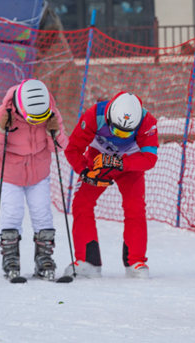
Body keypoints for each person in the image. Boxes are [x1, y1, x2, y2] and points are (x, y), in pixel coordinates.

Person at [63, 92, 159, 278]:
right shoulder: (94, 115)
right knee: (82, 203)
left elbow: (149, 158)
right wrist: (84, 171)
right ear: (109, 118)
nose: (120, 135)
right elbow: (73, 149)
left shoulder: (147, 122)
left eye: (126, 133)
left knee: (135, 208)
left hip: (131, 164)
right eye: (116, 130)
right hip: (98, 160)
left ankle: (135, 262)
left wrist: (121, 163)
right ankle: (87, 262)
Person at [0, 79, 68, 281]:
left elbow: (59, 148)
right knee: (12, 213)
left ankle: (44, 259)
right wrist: (1, 130)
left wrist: (53, 132)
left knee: (43, 214)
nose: (37, 122)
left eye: (41, 118)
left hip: (39, 175)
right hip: (10, 175)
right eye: (33, 118)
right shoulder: (3, 113)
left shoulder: (51, 112)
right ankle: (10, 259)